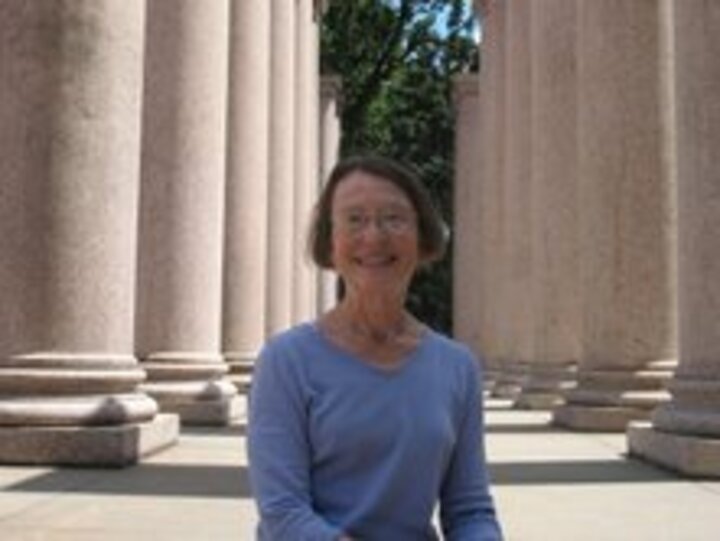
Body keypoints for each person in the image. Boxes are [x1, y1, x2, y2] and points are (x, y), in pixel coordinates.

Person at [247, 155, 503, 540]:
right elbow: (283, 513)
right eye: (354, 219)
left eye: (393, 218)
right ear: (330, 243)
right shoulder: (285, 361)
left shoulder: (457, 367)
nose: (374, 236)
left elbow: (470, 510)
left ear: (422, 237)